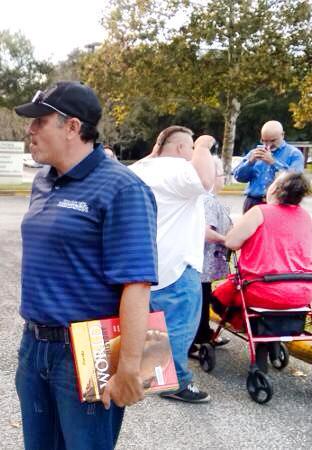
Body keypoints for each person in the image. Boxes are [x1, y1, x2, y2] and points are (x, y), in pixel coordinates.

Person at [14, 81, 158, 449]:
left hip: (92, 345)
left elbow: (137, 284)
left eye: (40, 121)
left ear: (73, 127)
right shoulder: (43, 181)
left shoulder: (123, 188)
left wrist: (128, 365)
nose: (30, 130)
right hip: (34, 343)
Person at [130, 125, 216, 403]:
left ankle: (152, 374)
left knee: (151, 322)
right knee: (178, 324)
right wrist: (204, 145)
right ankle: (174, 382)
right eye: (190, 148)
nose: (193, 154)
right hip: (177, 263)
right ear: (181, 149)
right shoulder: (178, 169)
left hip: (143, 260)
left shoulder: (140, 170)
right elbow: (205, 180)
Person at [212, 172, 312, 370]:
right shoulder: (303, 215)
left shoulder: (260, 211)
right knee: (260, 303)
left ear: (276, 190)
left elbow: (232, 242)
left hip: (265, 289)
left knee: (220, 300)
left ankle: (262, 341)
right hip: (304, 290)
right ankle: (272, 341)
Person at [190, 156, 232, 356]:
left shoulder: (206, 198)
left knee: (203, 298)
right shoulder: (207, 200)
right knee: (200, 299)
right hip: (201, 261)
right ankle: (196, 341)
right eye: (222, 174)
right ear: (213, 176)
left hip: (203, 262)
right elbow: (205, 232)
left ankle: (203, 334)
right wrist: (227, 240)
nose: (224, 179)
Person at [232, 120, 305, 212]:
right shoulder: (254, 152)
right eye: (264, 141)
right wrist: (250, 162)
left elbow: (296, 182)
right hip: (254, 202)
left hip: (280, 204)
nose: (268, 145)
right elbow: (239, 177)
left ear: (282, 135)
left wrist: (273, 162)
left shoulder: (294, 154)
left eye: (273, 140)